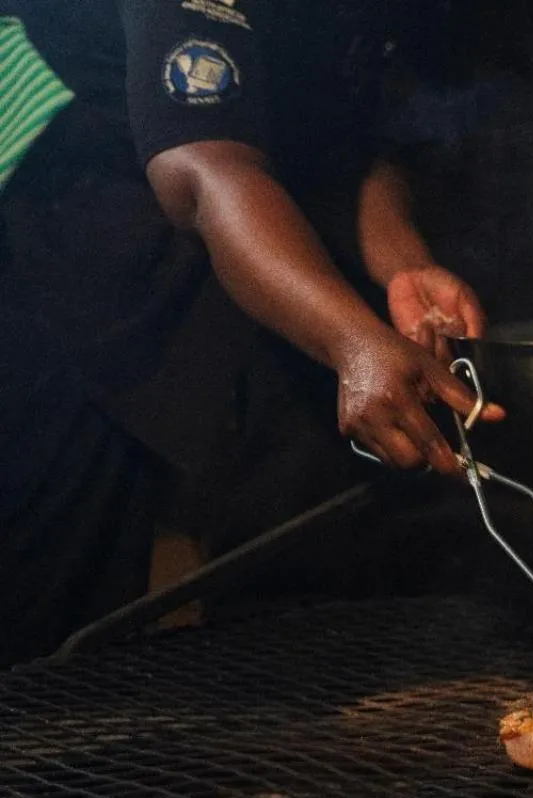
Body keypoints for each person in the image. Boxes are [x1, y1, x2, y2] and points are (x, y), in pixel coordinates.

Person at [0, 1, 503, 667]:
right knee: (59, 553)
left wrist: (403, 268)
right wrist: (352, 342)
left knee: (325, 454)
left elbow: (347, 132)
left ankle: (327, 706)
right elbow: (204, 174)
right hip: (69, 145)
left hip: (233, 163)